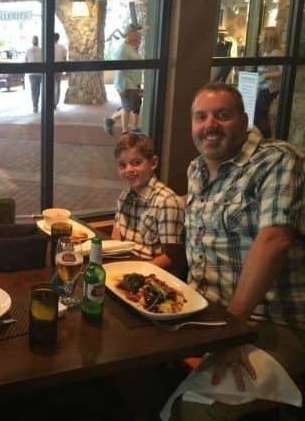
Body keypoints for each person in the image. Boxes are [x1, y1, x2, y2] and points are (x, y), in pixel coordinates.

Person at [170, 83, 304, 420]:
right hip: (203, 315)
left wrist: (231, 329)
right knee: (130, 369)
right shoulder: (196, 169)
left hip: (269, 323)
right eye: (201, 117)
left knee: (198, 412)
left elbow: (274, 241)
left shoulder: (277, 160)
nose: (210, 124)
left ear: (244, 120)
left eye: (223, 115)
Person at [111, 133, 186, 273]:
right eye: (122, 165)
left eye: (136, 163)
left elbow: (171, 257)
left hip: (151, 273)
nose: (128, 170)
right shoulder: (124, 196)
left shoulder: (166, 201)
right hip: (126, 266)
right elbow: (116, 237)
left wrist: (135, 272)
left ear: (153, 163)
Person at [109, 24, 143, 135]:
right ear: (129, 33)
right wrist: (121, 87)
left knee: (133, 105)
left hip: (133, 82)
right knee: (128, 107)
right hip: (126, 84)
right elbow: (120, 69)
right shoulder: (123, 50)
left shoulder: (131, 48)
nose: (139, 34)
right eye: (136, 32)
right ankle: (125, 131)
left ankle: (112, 121)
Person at [254, 26, 282, 138]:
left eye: (262, 34)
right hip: (263, 89)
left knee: (260, 116)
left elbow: (284, 72)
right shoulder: (266, 53)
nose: (259, 36)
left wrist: (267, 75)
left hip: (269, 90)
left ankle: (265, 139)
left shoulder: (277, 53)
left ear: (268, 37)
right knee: (259, 116)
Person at [25, 35, 42, 114]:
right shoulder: (41, 50)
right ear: (38, 42)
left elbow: (26, 61)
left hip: (31, 72)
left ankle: (34, 105)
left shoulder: (28, 50)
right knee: (38, 88)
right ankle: (36, 103)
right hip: (39, 72)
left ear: (32, 42)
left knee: (33, 89)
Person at [53, 32, 67, 109]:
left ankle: (51, 101)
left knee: (51, 85)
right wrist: (66, 69)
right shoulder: (62, 47)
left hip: (51, 68)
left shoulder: (49, 46)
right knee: (58, 85)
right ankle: (55, 102)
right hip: (59, 68)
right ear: (58, 39)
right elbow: (64, 59)